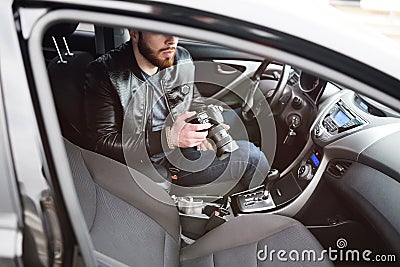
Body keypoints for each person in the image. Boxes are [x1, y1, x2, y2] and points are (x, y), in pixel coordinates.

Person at [84, 30, 269, 189]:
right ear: (134, 33)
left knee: (241, 122)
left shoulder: (181, 58)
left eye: (174, 29)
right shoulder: (106, 74)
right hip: (152, 162)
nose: (171, 39)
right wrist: (169, 138)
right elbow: (102, 143)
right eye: (159, 31)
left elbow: (193, 101)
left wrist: (206, 128)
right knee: (252, 157)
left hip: (182, 143)